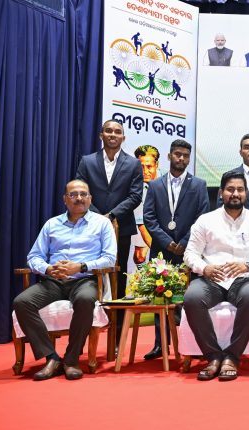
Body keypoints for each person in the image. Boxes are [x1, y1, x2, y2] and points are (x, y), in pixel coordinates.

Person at [13, 180, 117, 380]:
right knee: (22, 302)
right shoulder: (52, 224)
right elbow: (34, 256)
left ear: (90, 198)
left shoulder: (102, 224)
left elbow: (109, 259)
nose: (79, 198)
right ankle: (52, 357)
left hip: (85, 279)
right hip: (54, 281)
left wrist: (80, 266)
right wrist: (48, 268)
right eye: (73, 194)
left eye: (83, 194)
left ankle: (71, 359)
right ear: (65, 199)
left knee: (85, 299)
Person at [183, 171, 249, 381]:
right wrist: (204, 268)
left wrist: (247, 265)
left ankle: (232, 356)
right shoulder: (206, 220)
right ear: (221, 193)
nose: (235, 194)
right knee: (192, 298)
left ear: (246, 194)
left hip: (244, 279)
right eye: (230, 189)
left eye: (240, 189)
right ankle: (213, 355)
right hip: (212, 279)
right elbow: (190, 254)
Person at [76, 119, 143, 348]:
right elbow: (81, 191)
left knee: (119, 282)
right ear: (101, 135)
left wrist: (111, 215)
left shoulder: (133, 164)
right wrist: (98, 217)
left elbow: (135, 196)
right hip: (90, 229)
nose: (113, 134)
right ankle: (84, 336)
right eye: (108, 131)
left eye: (117, 132)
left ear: (123, 137)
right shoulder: (87, 161)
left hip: (121, 229)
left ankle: (116, 338)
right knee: (87, 279)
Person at [141, 139, 210, 361]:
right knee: (160, 298)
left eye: (185, 156)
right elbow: (149, 217)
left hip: (189, 251)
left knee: (189, 298)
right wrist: (166, 242)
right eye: (177, 154)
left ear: (189, 159)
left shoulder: (199, 185)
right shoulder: (155, 185)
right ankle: (160, 344)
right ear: (169, 156)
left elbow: (202, 217)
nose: (181, 158)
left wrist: (185, 242)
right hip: (161, 251)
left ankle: (191, 344)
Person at [132, 145, 160, 266]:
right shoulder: (135, 185)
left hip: (165, 223)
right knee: (139, 257)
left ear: (156, 165)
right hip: (144, 222)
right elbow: (141, 224)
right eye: (141, 167)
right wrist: (158, 251)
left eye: (149, 167)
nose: (145, 171)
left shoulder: (168, 180)